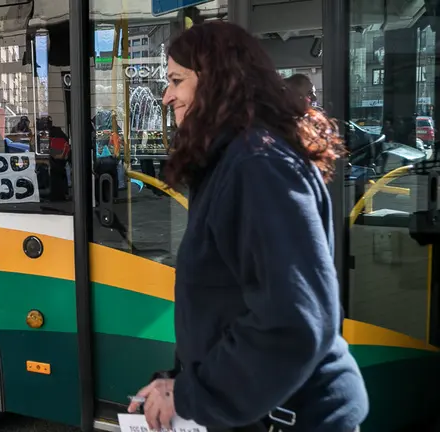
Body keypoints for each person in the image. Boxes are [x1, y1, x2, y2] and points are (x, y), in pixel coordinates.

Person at [127, 21, 368, 432]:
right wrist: (184, 379)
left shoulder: (257, 165)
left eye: (176, 80)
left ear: (217, 82)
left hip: (293, 419)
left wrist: (192, 394)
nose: (166, 96)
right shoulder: (237, 159)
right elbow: (231, 304)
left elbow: (293, 321)